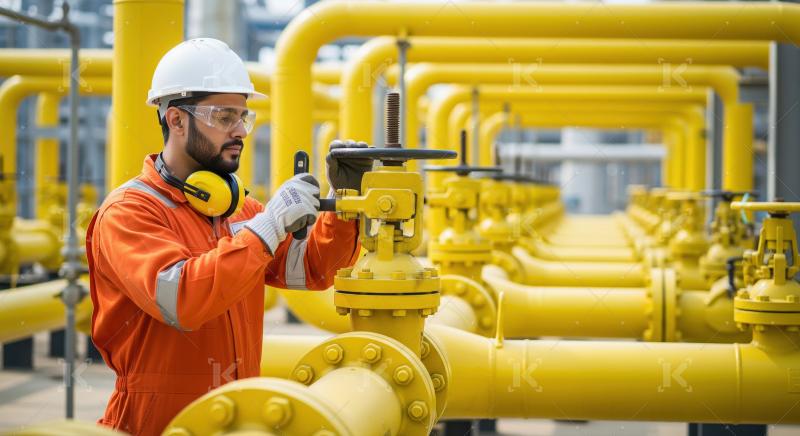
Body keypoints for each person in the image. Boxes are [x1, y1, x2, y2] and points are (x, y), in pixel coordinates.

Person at [86, 38, 367, 435]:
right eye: (224, 117)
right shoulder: (130, 213)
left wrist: (344, 202)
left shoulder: (236, 209)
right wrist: (268, 227)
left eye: (243, 118)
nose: (240, 131)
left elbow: (313, 269)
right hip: (156, 424)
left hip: (235, 419)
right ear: (176, 120)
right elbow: (184, 300)